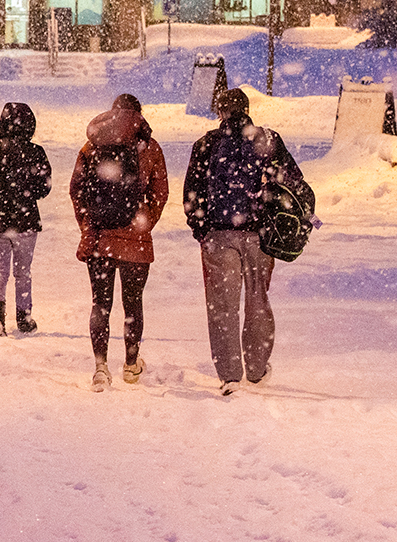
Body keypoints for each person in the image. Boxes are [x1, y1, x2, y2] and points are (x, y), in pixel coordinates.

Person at [183, 87, 307, 395]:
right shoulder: (267, 140)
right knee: (257, 301)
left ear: (220, 112)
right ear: (248, 109)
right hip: (258, 236)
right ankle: (256, 368)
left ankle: (229, 376)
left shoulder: (207, 144)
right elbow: (293, 183)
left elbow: (191, 192)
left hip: (219, 234)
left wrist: (202, 228)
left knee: (222, 307)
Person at [71, 92, 169, 391]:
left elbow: (77, 191)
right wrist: (143, 222)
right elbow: (160, 192)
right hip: (135, 243)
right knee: (132, 303)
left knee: (100, 304)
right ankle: (130, 364)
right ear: (138, 116)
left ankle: (100, 367)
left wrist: (89, 224)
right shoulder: (150, 148)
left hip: (101, 240)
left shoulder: (92, 147)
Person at [0, 100, 52, 335]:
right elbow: (44, 188)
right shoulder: (36, 152)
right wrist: (25, 193)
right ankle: (24, 317)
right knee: (23, 271)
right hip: (25, 220)